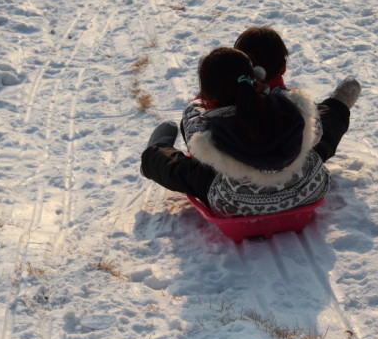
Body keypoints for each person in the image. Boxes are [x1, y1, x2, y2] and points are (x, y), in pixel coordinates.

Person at [140, 47, 360, 217]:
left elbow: (192, 136)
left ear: (207, 95)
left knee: (185, 171)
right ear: (255, 78)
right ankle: (337, 105)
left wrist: (197, 104)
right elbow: (317, 131)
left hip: (237, 204)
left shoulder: (207, 131)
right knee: (315, 137)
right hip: (308, 189)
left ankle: (155, 152)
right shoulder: (291, 105)